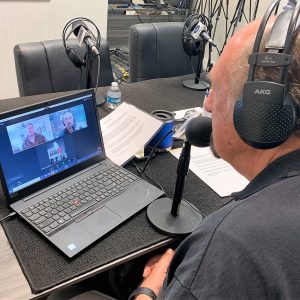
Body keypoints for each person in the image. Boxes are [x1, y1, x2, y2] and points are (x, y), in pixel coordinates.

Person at [49, 8, 300, 300]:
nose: (207, 105)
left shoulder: (231, 247)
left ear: (261, 114)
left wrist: (151, 288)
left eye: (215, 88)